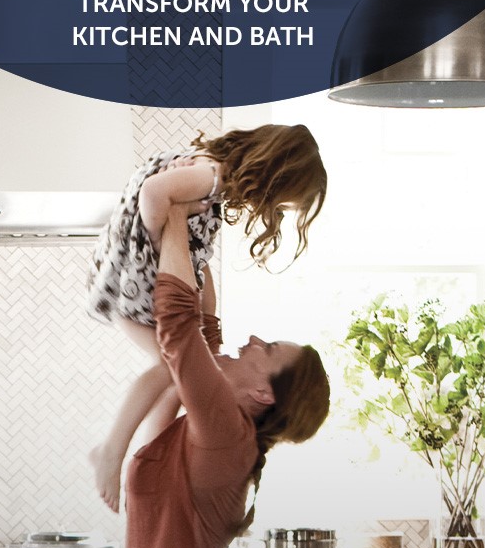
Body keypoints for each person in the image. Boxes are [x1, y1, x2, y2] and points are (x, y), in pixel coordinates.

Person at [115, 200, 331, 548]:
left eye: (266, 349)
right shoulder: (213, 429)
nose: (251, 339)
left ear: (263, 393)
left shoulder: (228, 436)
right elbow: (200, 337)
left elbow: (180, 329)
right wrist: (195, 244)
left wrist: (174, 210)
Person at [86, 124, 327, 511]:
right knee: (170, 368)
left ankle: (133, 464)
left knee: (172, 376)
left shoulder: (212, 176)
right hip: (133, 282)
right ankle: (112, 450)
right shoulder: (211, 178)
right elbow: (153, 192)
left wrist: (188, 270)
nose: (274, 209)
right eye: (281, 203)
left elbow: (187, 239)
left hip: (133, 277)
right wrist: (159, 240)